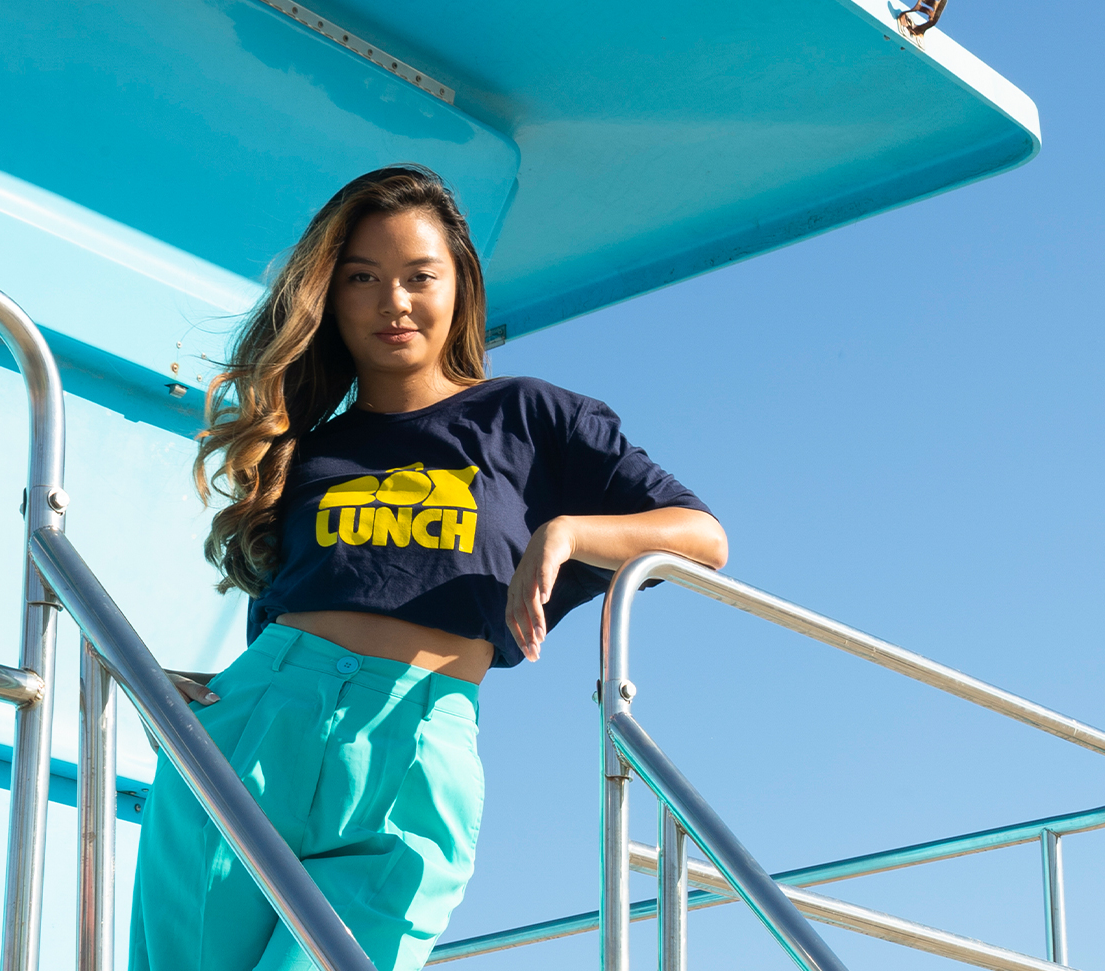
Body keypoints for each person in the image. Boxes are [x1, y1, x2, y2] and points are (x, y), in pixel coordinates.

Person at [129, 166, 727, 971]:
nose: (393, 302)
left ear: (460, 286)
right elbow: (291, 608)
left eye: (419, 276)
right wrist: (216, 689)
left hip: (419, 739)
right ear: (329, 298)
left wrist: (562, 533)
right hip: (258, 719)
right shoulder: (302, 448)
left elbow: (701, 537)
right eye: (362, 279)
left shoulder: (530, 417)